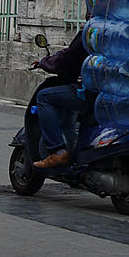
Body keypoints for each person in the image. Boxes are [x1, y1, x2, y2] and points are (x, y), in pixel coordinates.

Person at [31, 29, 91, 169]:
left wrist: (45, 62)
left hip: (91, 93)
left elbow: (68, 58)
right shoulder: (126, 31)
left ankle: (57, 150)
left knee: (44, 97)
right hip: (119, 96)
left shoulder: (92, 31)